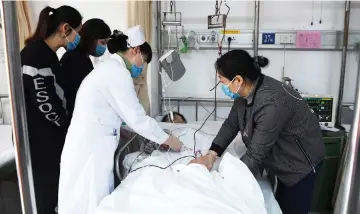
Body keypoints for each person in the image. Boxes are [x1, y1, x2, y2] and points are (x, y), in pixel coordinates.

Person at [58, 26, 183, 214]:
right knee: (88, 201)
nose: (142, 67)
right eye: (144, 61)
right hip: (90, 151)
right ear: (135, 51)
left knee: (86, 200)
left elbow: (117, 114)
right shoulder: (117, 74)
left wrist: (124, 130)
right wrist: (168, 140)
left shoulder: (110, 69)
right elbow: (137, 118)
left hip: (91, 145)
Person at [190, 50, 326, 214]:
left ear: (238, 80)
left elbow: (255, 155)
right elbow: (231, 124)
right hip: (280, 158)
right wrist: (212, 154)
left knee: (292, 208)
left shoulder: (272, 103)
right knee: (281, 204)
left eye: (222, 81)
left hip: (300, 162)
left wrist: (223, 183)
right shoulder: (244, 92)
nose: (222, 86)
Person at [21, 5, 82, 214]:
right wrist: (67, 126)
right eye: (77, 32)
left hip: (46, 138)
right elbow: (45, 103)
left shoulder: (46, 54)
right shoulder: (37, 55)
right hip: (40, 141)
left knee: (51, 194)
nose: (77, 38)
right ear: (65, 28)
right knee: (45, 198)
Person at [59, 18, 111, 120]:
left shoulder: (83, 58)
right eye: (102, 42)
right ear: (91, 39)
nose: (104, 48)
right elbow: (79, 95)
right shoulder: (75, 59)